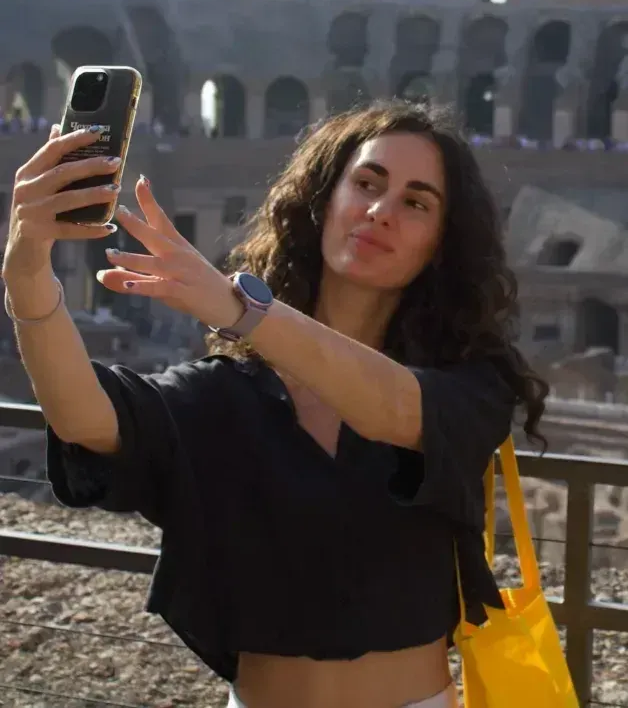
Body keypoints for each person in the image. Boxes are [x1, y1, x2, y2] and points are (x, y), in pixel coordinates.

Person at [2, 101, 547, 708]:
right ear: (323, 202)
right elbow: (86, 418)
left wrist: (243, 310)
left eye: (416, 203)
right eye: (367, 184)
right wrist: (27, 273)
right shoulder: (228, 394)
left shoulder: (469, 381)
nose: (381, 211)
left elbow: (396, 409)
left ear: (442, 243)